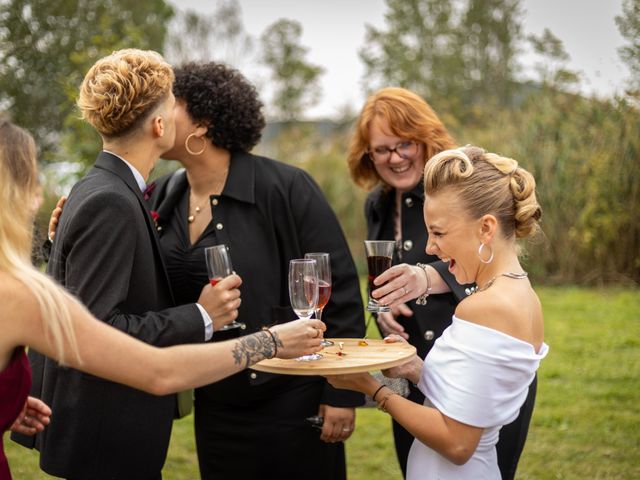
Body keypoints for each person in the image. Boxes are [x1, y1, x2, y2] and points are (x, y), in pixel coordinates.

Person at [0, 116, 325, 480]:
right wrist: (269, 340)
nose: (39, 195)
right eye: (33, 181)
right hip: (110, 437)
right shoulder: (110, 200)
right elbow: (157, 370)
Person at [12, 49, 240, 480]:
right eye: (172, 104)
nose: (176, 113)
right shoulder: (111, 201)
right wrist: (201, 315)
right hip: (106, 437)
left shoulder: (101, 187)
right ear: (158, 126)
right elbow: (100, 330)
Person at [150, 62, 365, 480]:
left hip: (293, 400)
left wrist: (339, 391)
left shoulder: (287, 188)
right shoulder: (161, 195)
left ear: (204, 124)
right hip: (215, 400)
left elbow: (338, 293)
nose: (155, 116)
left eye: (169, 104)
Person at [346, 87, 537, 479]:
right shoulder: (377, 205)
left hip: (475, 366)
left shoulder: (455, 194)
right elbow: (379, 277)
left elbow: (490, 258)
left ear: (425, 138)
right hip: (419, 366)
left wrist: (428, 276)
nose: (395, 157)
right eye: (381, 150)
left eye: (404, 144)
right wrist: (386, 313)